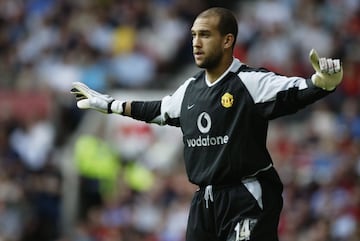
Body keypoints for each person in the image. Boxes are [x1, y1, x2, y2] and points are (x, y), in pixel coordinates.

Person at [70, 7, 343, 241]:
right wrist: (108, 105)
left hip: (246, 196)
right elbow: (156, 109)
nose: (196, 43)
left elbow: (296, 91)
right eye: (193, 36)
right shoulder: (189, 90)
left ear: (227, 40)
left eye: (204, 35)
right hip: (204, 202)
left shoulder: (250, 82)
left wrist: (322, 83)